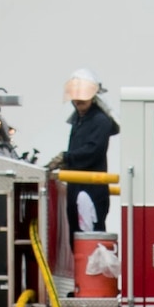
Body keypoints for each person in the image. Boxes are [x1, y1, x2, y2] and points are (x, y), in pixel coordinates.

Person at [55, 68, 119, 237]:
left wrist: (67, 157)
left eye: (81, 100)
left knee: (90, 237)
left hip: (91, 190)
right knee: (75, 236)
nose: (77, 103)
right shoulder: (78, 120)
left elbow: (93, 150)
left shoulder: (100, 121)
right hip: (76, 187)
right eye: (75, 100)